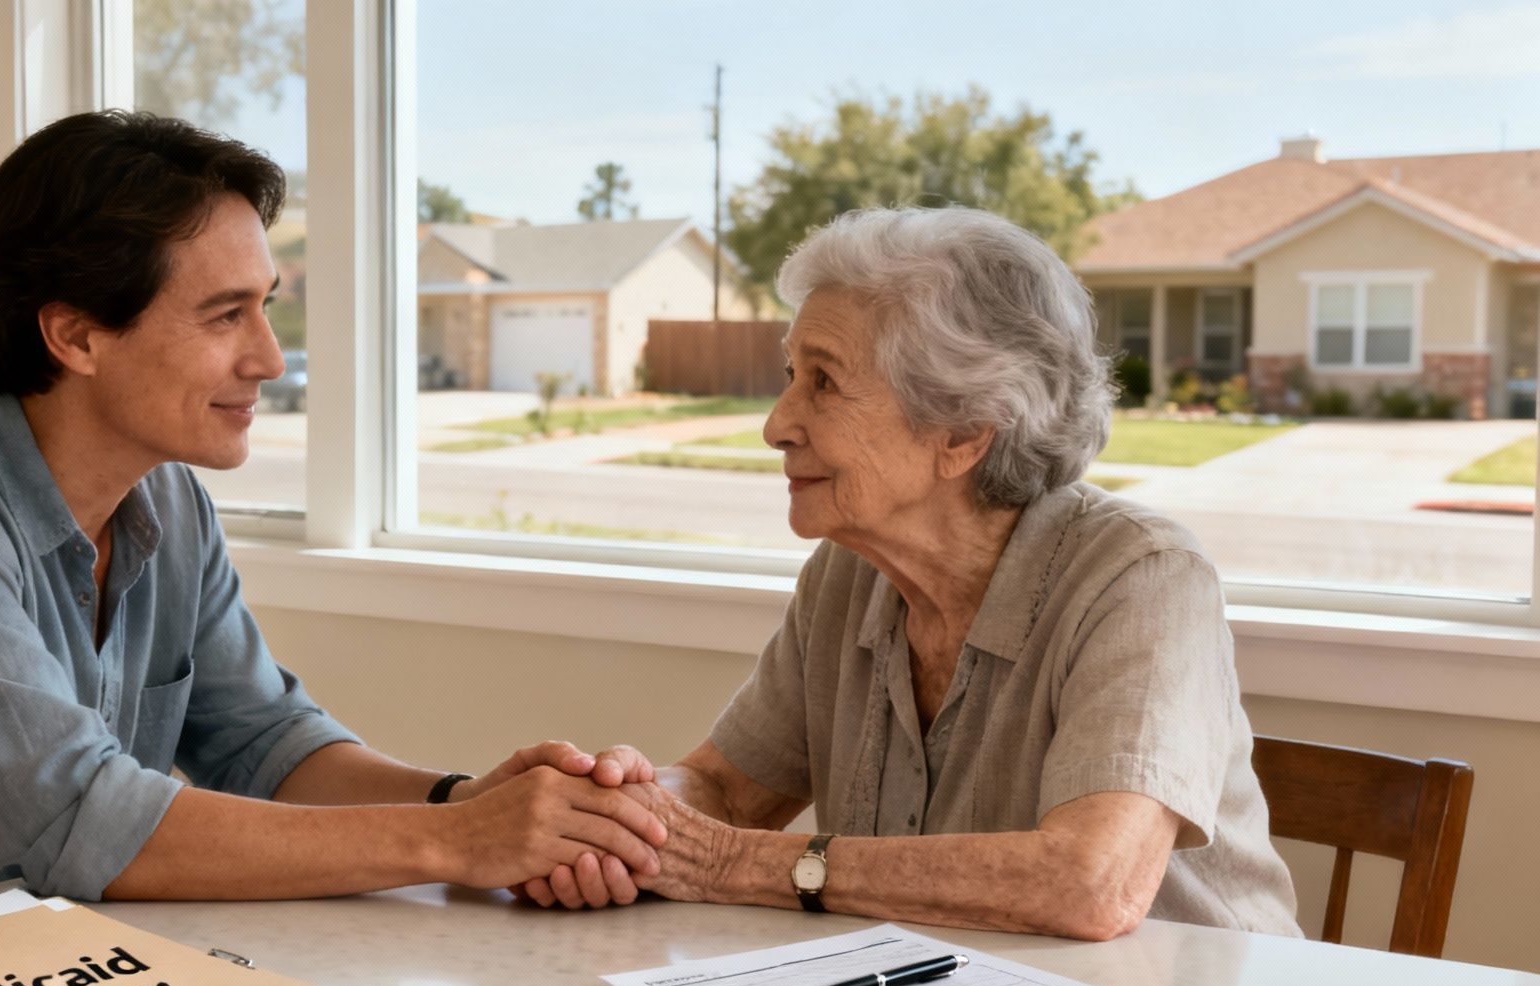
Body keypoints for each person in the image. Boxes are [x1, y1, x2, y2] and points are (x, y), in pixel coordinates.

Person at [0, 111, 662, 952]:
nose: (269, 357)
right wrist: (457, 845)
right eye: (226, 315)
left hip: (7, 974)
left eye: (266, 308)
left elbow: (265, 742)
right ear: (76, 333)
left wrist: (462, 801)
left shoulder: (164, 499)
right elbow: (86, 823)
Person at [523, 207, 1300, 940]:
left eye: (823, 381)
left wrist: (729, 862)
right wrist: (625, 816)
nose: (776, 424)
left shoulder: (1144, 583)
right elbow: (726, 791)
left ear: (961, 432)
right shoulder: (849, 574)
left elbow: (1088, 883)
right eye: (792, 374)